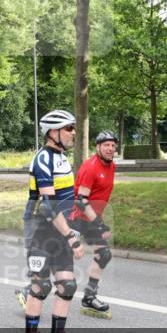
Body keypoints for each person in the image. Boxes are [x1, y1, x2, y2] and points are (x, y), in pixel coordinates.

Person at [10, 110, 86, 333]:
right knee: (40, 287)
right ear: (53, 132)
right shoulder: (42, 159)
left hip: (60, 228)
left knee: (67, 286)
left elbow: (68, 200)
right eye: (68, 128)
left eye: (74, 128)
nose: (73, 133)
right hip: (41, 231)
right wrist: (71, 237)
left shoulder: (63, 158)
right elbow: (48, 205)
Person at [68, 130, 118, 319]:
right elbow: (81, 200)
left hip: (91, 219)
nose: (110, 148)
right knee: (60, 257)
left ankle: (89, 296)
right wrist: (100, 224)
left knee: (103, 254)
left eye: (113, 145)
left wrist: (97, 221)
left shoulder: (111, 166)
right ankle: (31, 290)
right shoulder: (90, 167)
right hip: (76, 218)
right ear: (97, 147)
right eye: (106, 145)